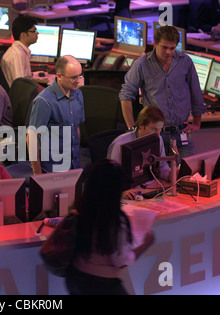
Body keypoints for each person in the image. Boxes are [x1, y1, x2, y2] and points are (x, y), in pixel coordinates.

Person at [66, 159, 155, 295]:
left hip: (76, 280)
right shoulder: (114, 221)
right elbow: (120, 260)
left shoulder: (79, 210)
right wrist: (146, 244)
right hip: (103, 286)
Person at [119, 25, 205, 158]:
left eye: (172, 48)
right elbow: (126, 95)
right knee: (156, 174)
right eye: (164, 47)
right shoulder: (142, 64)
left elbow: (195, 92)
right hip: (155, 133)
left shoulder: (185, 62)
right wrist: (132, 130)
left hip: (180, 131)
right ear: (155, 44)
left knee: (189, 173)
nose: (169, 52)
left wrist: (197, 122)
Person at [27, 55, 85, 174]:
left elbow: (76, 127)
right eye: (74, 77)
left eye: (80, 75)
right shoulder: (44, 101)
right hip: (52, 168)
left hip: (74, 164)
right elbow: (31, 138)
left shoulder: (78, 94)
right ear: (59, 76)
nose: (78, 80)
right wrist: (37, 173)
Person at [107, 105, 171, 199]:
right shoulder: (120, 144)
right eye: (153, 129)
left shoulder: (158, 138)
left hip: (149, 188)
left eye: (160, 129)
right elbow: (111, 177)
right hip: (129, 192)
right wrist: (122, 191)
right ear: (141, 125)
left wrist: (171, 175)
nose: (157, 134)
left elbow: (162, 166)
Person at [0, 15, 38, 88]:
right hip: (18, 98)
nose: (37, 33)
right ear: (23, 35)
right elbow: (20, 88)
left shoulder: (17, 50)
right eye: (34, 31)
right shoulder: (18, 55)